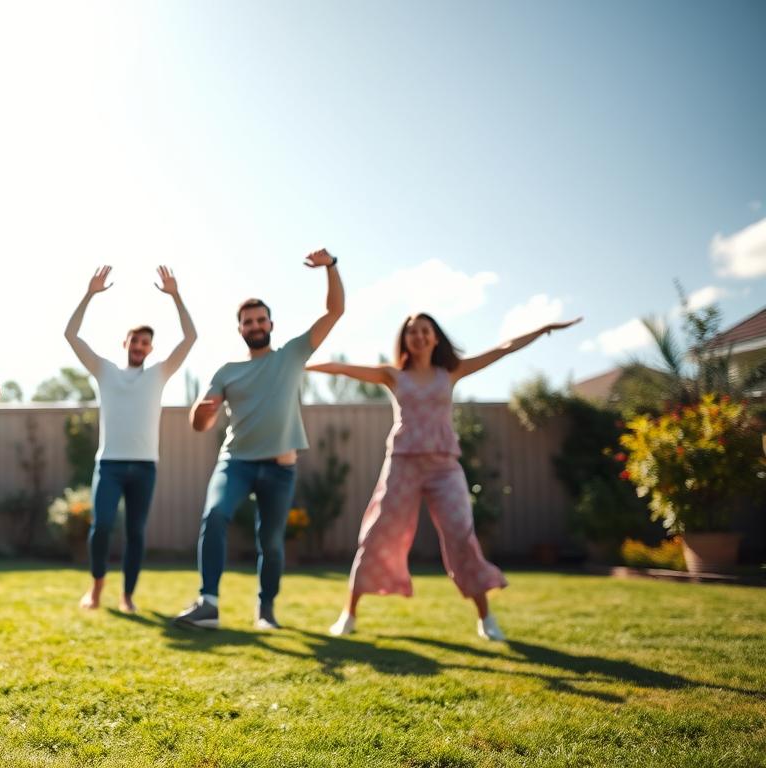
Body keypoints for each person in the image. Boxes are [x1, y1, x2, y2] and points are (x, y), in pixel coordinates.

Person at [309, 313, 581, 641]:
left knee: (461, 534)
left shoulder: (450, 371)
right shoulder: (392, 375)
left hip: (443, 467)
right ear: (404, 339)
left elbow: (504, 348)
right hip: (403, 464)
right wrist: (297, 364)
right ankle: (348, 614)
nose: (419, 336)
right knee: (378, 532)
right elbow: (341, 368)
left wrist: (543, 327)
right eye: (412, 332)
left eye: (425, 331)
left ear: (435, 337)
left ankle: (486, 618)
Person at [174, 249, 344, 630]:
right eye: (247, 321)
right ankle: (209, 604)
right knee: (215, 515)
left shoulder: (292, 354)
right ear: (240, 329)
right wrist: (204, 410)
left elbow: (334, 311)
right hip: (235, 462)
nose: (254, 324)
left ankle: (266, 612)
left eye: (259, 318)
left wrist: (331, 267)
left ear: (270, 323)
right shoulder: (227, 371)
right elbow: (199, 424)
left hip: (280, 468)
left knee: (271, 542)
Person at [64, 265, 197, 612]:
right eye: (134, 340)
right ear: (125, 343)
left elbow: (190, 338)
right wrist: (90, 293)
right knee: (102, 525)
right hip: (109, 464)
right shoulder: (104, 370)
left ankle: (127, 596)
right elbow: (71, 335)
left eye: (145, 342)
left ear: (150, 349)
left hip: (144, 467)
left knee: (136, 533)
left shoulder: (159, 374)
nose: (138, 346)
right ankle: (95, 590)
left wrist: (176, 296)